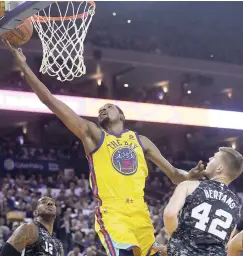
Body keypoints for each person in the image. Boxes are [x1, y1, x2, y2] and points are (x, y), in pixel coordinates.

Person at [2, 39, 205, 256]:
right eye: (101, 109)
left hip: (141, 213)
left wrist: (189, 176)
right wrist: (24, 66)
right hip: (113, 212)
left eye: (108, 107)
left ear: (122, 115)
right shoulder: (94, 135)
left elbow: (173, 175)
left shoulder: (141, 140)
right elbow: (50, 101)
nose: (103, 110)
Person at [163, 147, 243, 256]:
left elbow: (170, 214)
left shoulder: (189, 185)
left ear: (219, 168)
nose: (209, 158)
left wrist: (176, 240)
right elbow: (226, 242)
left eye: (214, 157)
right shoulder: (236, 203)